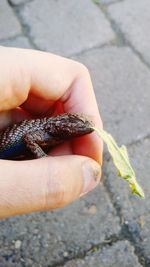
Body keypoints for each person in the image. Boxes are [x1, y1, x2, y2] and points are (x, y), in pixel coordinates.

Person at [0, 46, 103, 219]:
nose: (83, 127)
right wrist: (43, 159)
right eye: (76, 125)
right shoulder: (47, 131)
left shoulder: (55, 132)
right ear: (63, 126)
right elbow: (29, 138)